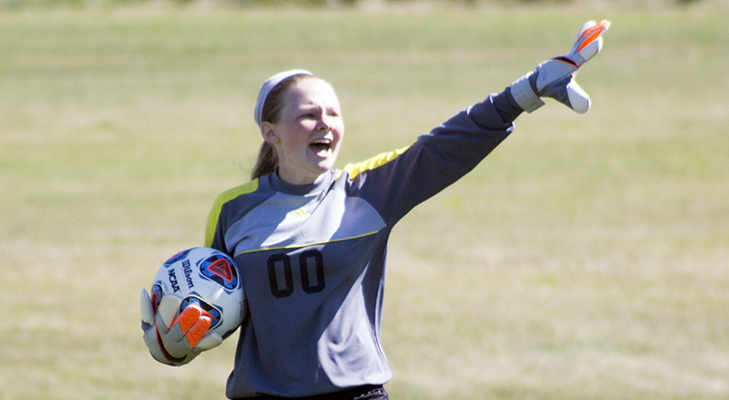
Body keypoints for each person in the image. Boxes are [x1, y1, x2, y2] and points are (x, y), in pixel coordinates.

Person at [141, 20, 610, 399]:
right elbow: (217, 310)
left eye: (333, 114)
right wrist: (176, 340)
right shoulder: (233, 210)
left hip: (356, 395)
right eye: (308, 115)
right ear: (271, 132)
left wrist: (526, 92)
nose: (324, 123)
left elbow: (444, 147)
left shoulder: (368, 189)